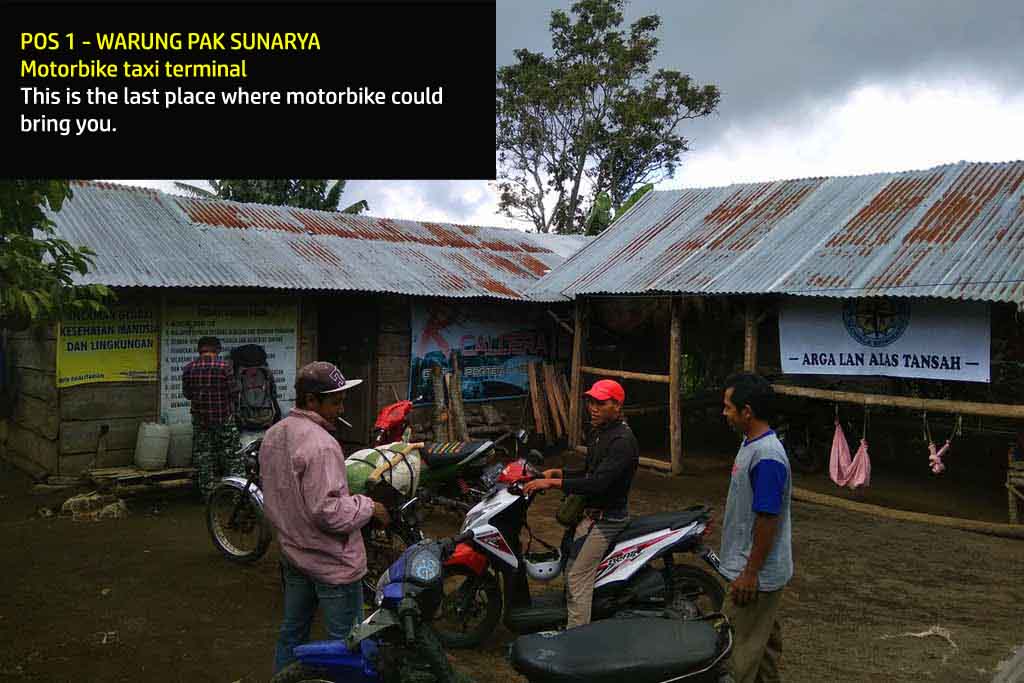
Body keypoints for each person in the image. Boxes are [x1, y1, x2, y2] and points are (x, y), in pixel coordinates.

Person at [259, 361, 390, 674]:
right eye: (335, 401)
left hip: (294, 552)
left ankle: (284, 678)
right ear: (311, 401)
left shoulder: (275, 434)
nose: (341, 407)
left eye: (342, 400)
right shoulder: (322, 444)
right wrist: (370, 507)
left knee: (293, 631)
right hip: (331, 562)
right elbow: (327, 512)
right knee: (348, 642)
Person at [523, 378, 639, 628]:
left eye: (601, 403)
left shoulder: (622, 442)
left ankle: (576, 639)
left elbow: (598, 483)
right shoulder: (600, 433)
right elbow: (589, 472)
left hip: (608, 519)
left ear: (617, 406)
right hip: (591, 514)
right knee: (570, 563)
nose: (593, 408)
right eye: (591, 402)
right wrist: (558, 473)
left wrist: (552, 484)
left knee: (577, 577)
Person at [719, 373, 793, 683]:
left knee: (734, 657)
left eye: (728, 407)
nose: (724, 413)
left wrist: (750, 573)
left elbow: (767, 518)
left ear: (746, 411)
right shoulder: (752, 444)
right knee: (763, 651)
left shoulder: (767, 457)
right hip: (761, 572)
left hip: (753, 578)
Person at [181, 336, 243, 500]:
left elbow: (187, 394)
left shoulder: (189, 368)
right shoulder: (225, 367)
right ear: (217, 350)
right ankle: (237, 495)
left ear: (199, 350)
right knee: (232, 457)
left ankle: (208, 496)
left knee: (204, 457)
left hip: (201, 421)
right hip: (224, 419)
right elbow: (235, 392)